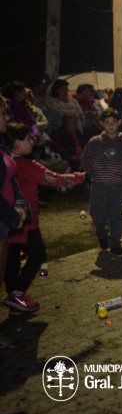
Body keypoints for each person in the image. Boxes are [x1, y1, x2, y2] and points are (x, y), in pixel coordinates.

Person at [3, 123, 85, 314]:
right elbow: (53, 178)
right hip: (25, 221)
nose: (32, 140)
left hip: (9, 218)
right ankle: (17, 294)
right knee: (38, 253)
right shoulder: (25, 165)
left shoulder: (7, 161)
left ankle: (15, 300)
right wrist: (79, 177)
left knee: (12, 261)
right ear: (16, 142)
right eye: (27, 138)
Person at [80, 109, 122, 258]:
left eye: (114, 123)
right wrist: (92, 173)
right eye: (107, 123)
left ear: (119, 123)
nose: (111, 126)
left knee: (117, 216)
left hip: (119, 186)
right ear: (101, 123)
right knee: (98, 214)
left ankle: (115, 244)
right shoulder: (95, 142)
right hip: (99, 186)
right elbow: (84, 159)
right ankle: (101, 234)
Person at [0, 97, 30, 305]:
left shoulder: (1, 144)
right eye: (2, 113)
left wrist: (20, 205)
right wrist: (13, 216)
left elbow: (11, 178)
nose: (7, 117)